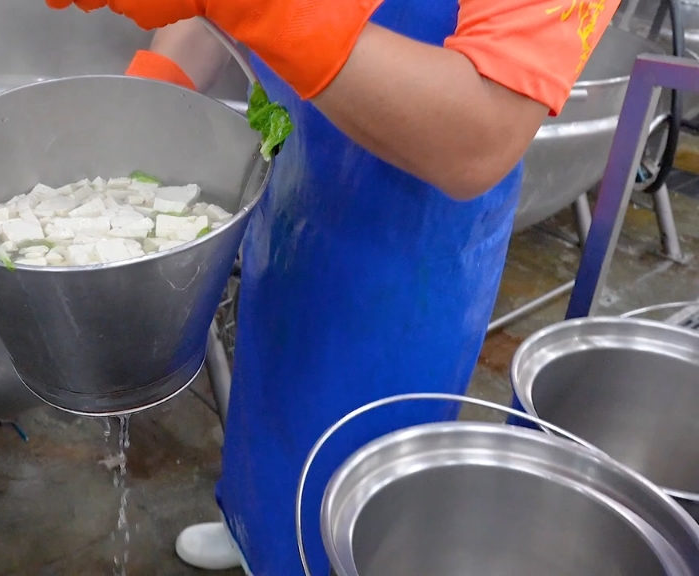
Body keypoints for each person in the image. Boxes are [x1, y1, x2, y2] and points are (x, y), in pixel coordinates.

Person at [47, 1, 618, 574]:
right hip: (294, 195)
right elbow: (208, 12)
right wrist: (155, 92)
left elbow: (479, 133)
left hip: (406, 257)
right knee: (267, 397)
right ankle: (252, 531)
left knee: (353, 477)